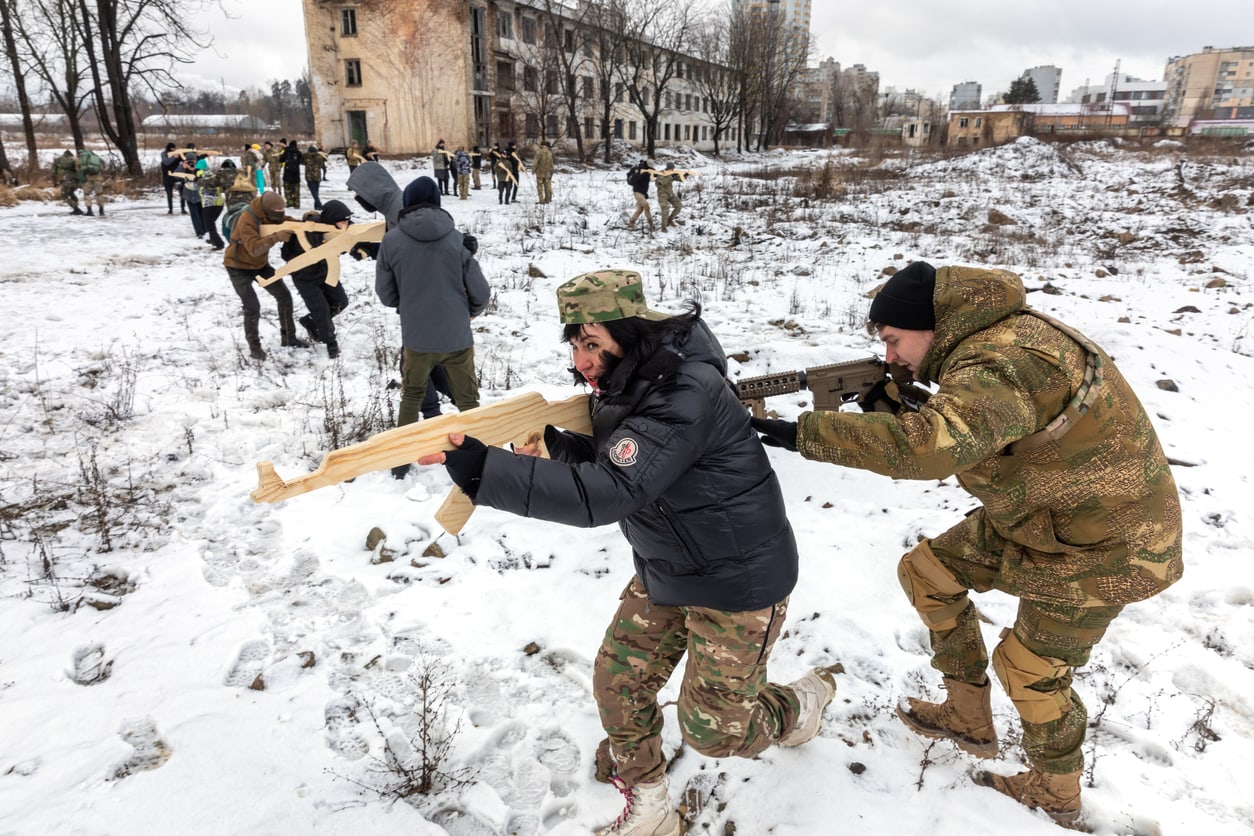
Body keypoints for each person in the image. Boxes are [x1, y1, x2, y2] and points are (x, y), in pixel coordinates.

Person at [751, 261, 1184, 825]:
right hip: (1040, 519)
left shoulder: (1002, 358)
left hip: (1110, 547)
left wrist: (807, 432)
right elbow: (982, 429)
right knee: (928, 574)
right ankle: (967, 716)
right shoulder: (991, 339)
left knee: (1029, 668)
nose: (889, 357)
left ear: (928, 324)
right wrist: (890, 408)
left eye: (892, 341)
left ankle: (1056, 792)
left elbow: (932, 448)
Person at [416, 270, 837, 836]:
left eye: (592, 344)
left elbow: (611, 491)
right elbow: (625, 459)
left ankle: (798, 706)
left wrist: (486, 472)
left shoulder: (687, 391)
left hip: (738, 585)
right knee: (617, 684)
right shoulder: (633, 382)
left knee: (715, 732)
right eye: (573, 343)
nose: (581, 360)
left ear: (632, 334)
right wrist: (560, 445)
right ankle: (652, 805)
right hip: (667, 569)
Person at [375, 176, 489, 477]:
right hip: (457, 338)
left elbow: (386, 295)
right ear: (438, 202)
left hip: (418, 340)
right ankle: (483, 459)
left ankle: (400, 465)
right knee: (468, 400)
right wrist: (471, 312)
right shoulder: (456, 240)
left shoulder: (391, 240)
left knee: (411, 397)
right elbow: (481, 291)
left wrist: (410, 303)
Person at [346, 162, 455, 420]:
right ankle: (459, 402)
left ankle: (433, 415)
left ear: (371, 191)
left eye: (358, 194)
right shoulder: (394, 206)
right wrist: (373, 250)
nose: (356, 199)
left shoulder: (399, 209)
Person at [222, 190, 310, 360]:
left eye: (282, 211)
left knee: (284, 296)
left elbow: (285, 221)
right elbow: (254, 249)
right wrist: (276, 237)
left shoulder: (270, 214)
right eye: (277, 212)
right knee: (252, 307)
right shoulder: (247, 219)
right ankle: (255, 347)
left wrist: (306, 222)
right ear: (267, 210)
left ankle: (288, 337)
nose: (281, 215)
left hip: (260, 265)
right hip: (237, 267)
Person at [282, 199, 353, 359]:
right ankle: (330, 343)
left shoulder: (336, 227)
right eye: (342, 222)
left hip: (325, 273)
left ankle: (311, 322)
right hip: (304, 276)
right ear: (331, 220)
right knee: (321, 309)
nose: (346, 225)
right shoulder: (309, 231)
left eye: (347, 222)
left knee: (341, 302)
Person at [196, 158, 234, 250]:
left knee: (209, 224)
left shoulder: (200, 173)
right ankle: (213, 239)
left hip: (209, 203)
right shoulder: (214, 174)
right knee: (210, 223)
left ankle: (219, 243)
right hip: (219, 203)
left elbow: (200, 181)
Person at [76, 147, 106, 216]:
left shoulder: (80, 160)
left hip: (88, 179)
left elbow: (79, 171)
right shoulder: (96, 157)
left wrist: (82, 180)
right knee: (99, 194)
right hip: (98, 179)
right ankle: (101, 210)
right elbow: (103, 166)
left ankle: (89, 211)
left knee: (86, 194)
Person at [626, 159, 654, 232]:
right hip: (637, 192)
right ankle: (651, 223)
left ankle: (631, 223)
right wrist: (641, 175)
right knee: (646, 206)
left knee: (640, 209)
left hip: (643, 192)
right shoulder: (640, 171)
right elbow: (634, 180)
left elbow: (656, 173)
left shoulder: (649, 170)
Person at [655, 163, 684, 231]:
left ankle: (670, 219)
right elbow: (661, 182)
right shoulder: (661, 173)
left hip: (670, 194)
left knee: (679, 206)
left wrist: (684, 175)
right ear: (668, 168)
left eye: (673, 169)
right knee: (665, 210)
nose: (673, 170)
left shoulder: (671, 173)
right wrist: (671, 176)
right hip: (662, 195)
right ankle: (663, 227)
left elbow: (681, 179)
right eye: (672, 169)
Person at [52, 150, 82, 215]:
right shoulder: (75, 160)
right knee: (71, 193)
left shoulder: (58, 160)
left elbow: (53, 173)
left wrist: (54, 182)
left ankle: (76, 209)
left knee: (64, 195)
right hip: (76, 179)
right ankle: (76, 209)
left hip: (67, 179)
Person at [160, 142, 184, 214]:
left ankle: (183, 208)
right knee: (169, 194)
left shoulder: (176, 154)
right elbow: (166, 162)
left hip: (177, 176)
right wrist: (174, 157)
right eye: (173, 148)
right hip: (167, 177)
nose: (174, 150)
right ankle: (170, 209)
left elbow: (185, 160)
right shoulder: (164, 154)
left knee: (182, 193)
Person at [303, 144, 327, 210]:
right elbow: (321, 165)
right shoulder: (319, 157)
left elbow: (302, 162)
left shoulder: (306, 157)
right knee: (316, 192)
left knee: (314, 192)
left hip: (309, 177)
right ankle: (317, 206)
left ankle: (318, 204)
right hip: (317, 176)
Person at [282, 139, 303, 208]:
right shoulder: (298, 152)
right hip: (296, 174)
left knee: (287, 189)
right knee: (296, 190)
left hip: (287, 174)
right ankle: (297, 204)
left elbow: (281, 160)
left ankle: (289, 202)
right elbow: (302, 160)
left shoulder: (286, 152)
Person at [533, 140, 553, 204]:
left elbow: (535, 162)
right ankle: (547, 199)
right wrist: (551, 172)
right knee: (547, 186)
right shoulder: (549, 152)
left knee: (540, 186)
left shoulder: (539, 152)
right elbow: (551, 164)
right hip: (547, 173)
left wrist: (533, 169)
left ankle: (541, 200)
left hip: (540, 172)